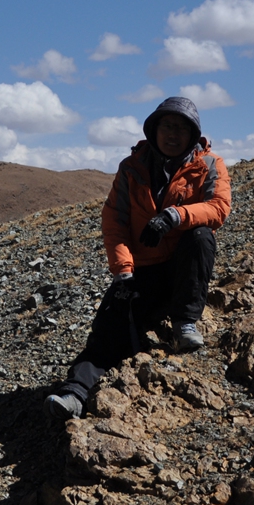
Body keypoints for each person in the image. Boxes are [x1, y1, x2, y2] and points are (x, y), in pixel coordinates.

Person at [46, 97, 231, 420]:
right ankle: (74, 395)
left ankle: (185, 323)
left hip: (180, 269)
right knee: (108, 327)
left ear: (193, 134)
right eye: (167, 126)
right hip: (142, 271)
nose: (173, 134)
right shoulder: (131, 168)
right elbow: (114, 221)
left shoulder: (210, 164)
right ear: (154, 129)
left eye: (182, 128)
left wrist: (174, 216)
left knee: (200, 236)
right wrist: (123, 271)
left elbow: (218, 208)